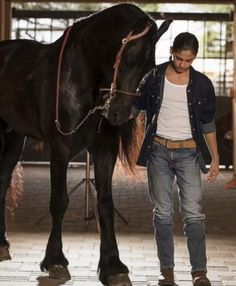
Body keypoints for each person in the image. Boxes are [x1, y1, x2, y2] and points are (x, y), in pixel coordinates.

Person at [131, 32, 219, 286]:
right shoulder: (154, 77)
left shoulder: (202, 84)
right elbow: (135, 109)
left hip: (190, 153)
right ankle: (166, 270)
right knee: (163, 214)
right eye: (179, 58)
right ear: (171, 51)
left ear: (195, 58)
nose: (182, 64)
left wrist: (215, 158)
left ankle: (199, 271)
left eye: (188, 61)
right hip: (158, 151)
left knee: (193, 214)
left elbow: (208, 124)